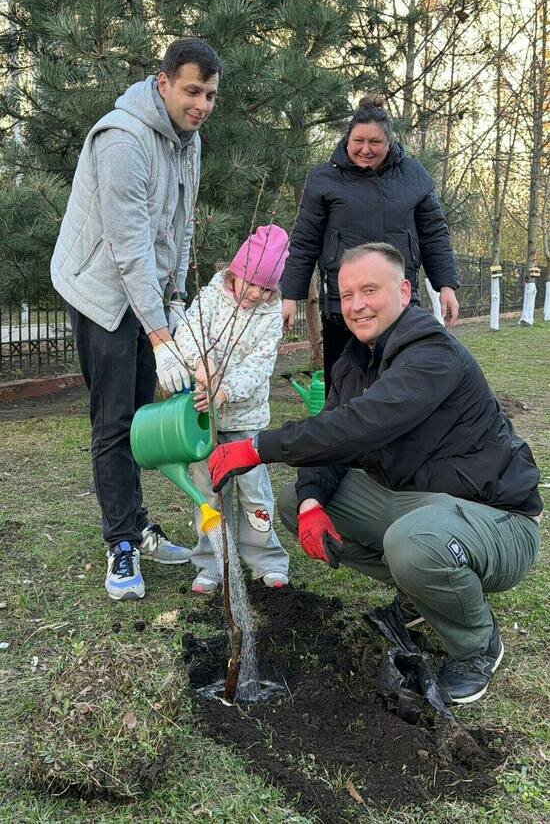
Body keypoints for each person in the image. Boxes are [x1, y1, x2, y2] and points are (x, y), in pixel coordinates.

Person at [207, 243, 542, 705]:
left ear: (404, 291)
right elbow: (333, 444)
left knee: (413, 543)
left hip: (498, 521)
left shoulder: (432, 352)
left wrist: (259, 446)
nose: (356, 305)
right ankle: (424, 595)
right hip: (420, 506)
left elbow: (363, 423)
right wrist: (310, 503)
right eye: (346, 295)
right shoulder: (355, 360)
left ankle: (476, 647)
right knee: (296, 501)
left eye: (369, 290)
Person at [50, 39, 222, 601]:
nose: (201, 105)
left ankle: (138, 522)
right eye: (192, 91)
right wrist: (159, 332)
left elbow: (178, 228)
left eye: (211, 95)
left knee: (144, 414)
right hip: (101, 291)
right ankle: (121, 542)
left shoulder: (187, 140)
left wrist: (174, 303)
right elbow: (128, 247)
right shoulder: (122, 139)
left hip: (145, 288)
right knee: (113, 420)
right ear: (164, 81)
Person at [280, 96, 460, 389]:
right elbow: (304, 240)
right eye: (358, 141)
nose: (365, 149)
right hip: (344, 307)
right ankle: (338, 435)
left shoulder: (415, 177)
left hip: (397, 305)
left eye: (374, 142)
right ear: (347, 139)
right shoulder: (324, 179)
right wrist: (290, 295)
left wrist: (446, 286)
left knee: (397, 387)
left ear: (389, 142)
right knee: (342, 387)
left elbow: (434, 234)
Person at [174, 224, 290, 593]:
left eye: (266, 288)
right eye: (250, 283)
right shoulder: (210, 297)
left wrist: (223, 392)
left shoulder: (270, 315)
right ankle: (212, 561)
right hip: (204, 422)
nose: (256, 294)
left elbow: (258, 366)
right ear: (235, 272)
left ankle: (265, 558)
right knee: (207, 492)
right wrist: (200, 366)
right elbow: (187, 332)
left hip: (246, 420)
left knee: (254, 492)